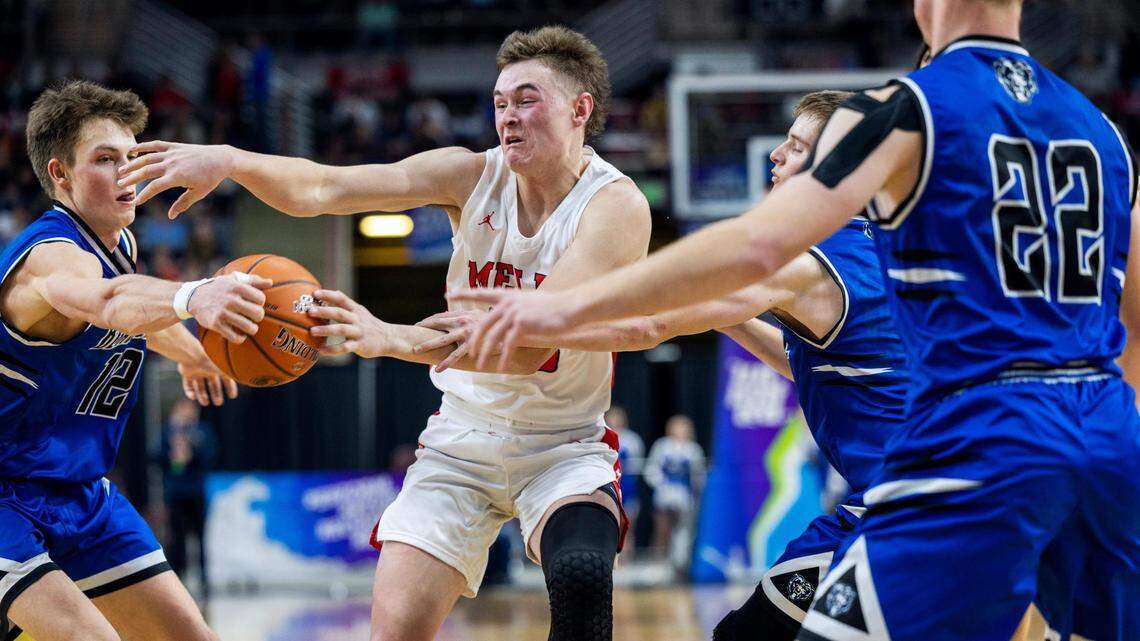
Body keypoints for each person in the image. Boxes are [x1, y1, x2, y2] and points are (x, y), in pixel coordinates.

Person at [453, 2, 1140, 639]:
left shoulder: (907, 110)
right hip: (1107, 426)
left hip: (976, 444)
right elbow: (1134, 319)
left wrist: (558, 303)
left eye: (794, 146)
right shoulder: (1100, 127)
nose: (780, 156)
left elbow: (754, 246)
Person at [117, 26, 652, 641]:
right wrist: (232, 160)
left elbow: (534, 342)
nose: (507, 116)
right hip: (463, 440)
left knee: (583, 574)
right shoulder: (470, 175)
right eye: (500, 102)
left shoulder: (614, 205)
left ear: (580, 109)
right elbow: (326, 187)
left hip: (562, 444)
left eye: (527, 100)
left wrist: (389, 337)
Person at [420, 89, 910, 639]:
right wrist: (721, 316)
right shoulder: (877, 252)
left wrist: (530, 318)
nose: (775, 156)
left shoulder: (802, 262)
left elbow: (649, 326)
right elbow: (814, 366)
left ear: (836, 171)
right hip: (896, 501)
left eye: (795, 148)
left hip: (909, 511)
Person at [0, 80, 269, 641]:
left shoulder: (121, 249)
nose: (127, 173)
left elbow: (130, 313)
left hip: (79, 490)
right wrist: (194, 296)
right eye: (104, 159)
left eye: (131, 156)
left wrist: (193, 352)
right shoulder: (49, 259)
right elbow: (108, 301)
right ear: (59, 174)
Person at [157, 398, 219, 594]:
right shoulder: (168, 432)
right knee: (177, 538)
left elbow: (211, 456)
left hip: (196, 492)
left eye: (189, 410)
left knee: (201, 537)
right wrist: (172, 449)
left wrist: (192, 446)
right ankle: (178, 579)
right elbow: (155, 456)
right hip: (176, 493)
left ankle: (204, 580)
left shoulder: (202, 431)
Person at [643, 415, 705, 567]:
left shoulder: (693, 449)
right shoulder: (662, 446)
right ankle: (659, 561)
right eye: (677, 427)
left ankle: (679, 562)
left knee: (683, 530)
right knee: (662, 529)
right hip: (665, 495)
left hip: (685, 496)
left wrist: (697, 492)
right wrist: (661, 484)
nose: (680, 431)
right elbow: (651, 469)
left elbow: (699, 475)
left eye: (684, 427)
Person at [604, 406, 643, 553]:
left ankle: (627, 558)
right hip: (609, 485)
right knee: (609, 523)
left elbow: (636, 465)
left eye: (618, 417)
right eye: (613, 417)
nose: (616, 420)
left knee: (628, 525)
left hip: (627, 487)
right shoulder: (603, 435)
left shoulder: (632, 439)